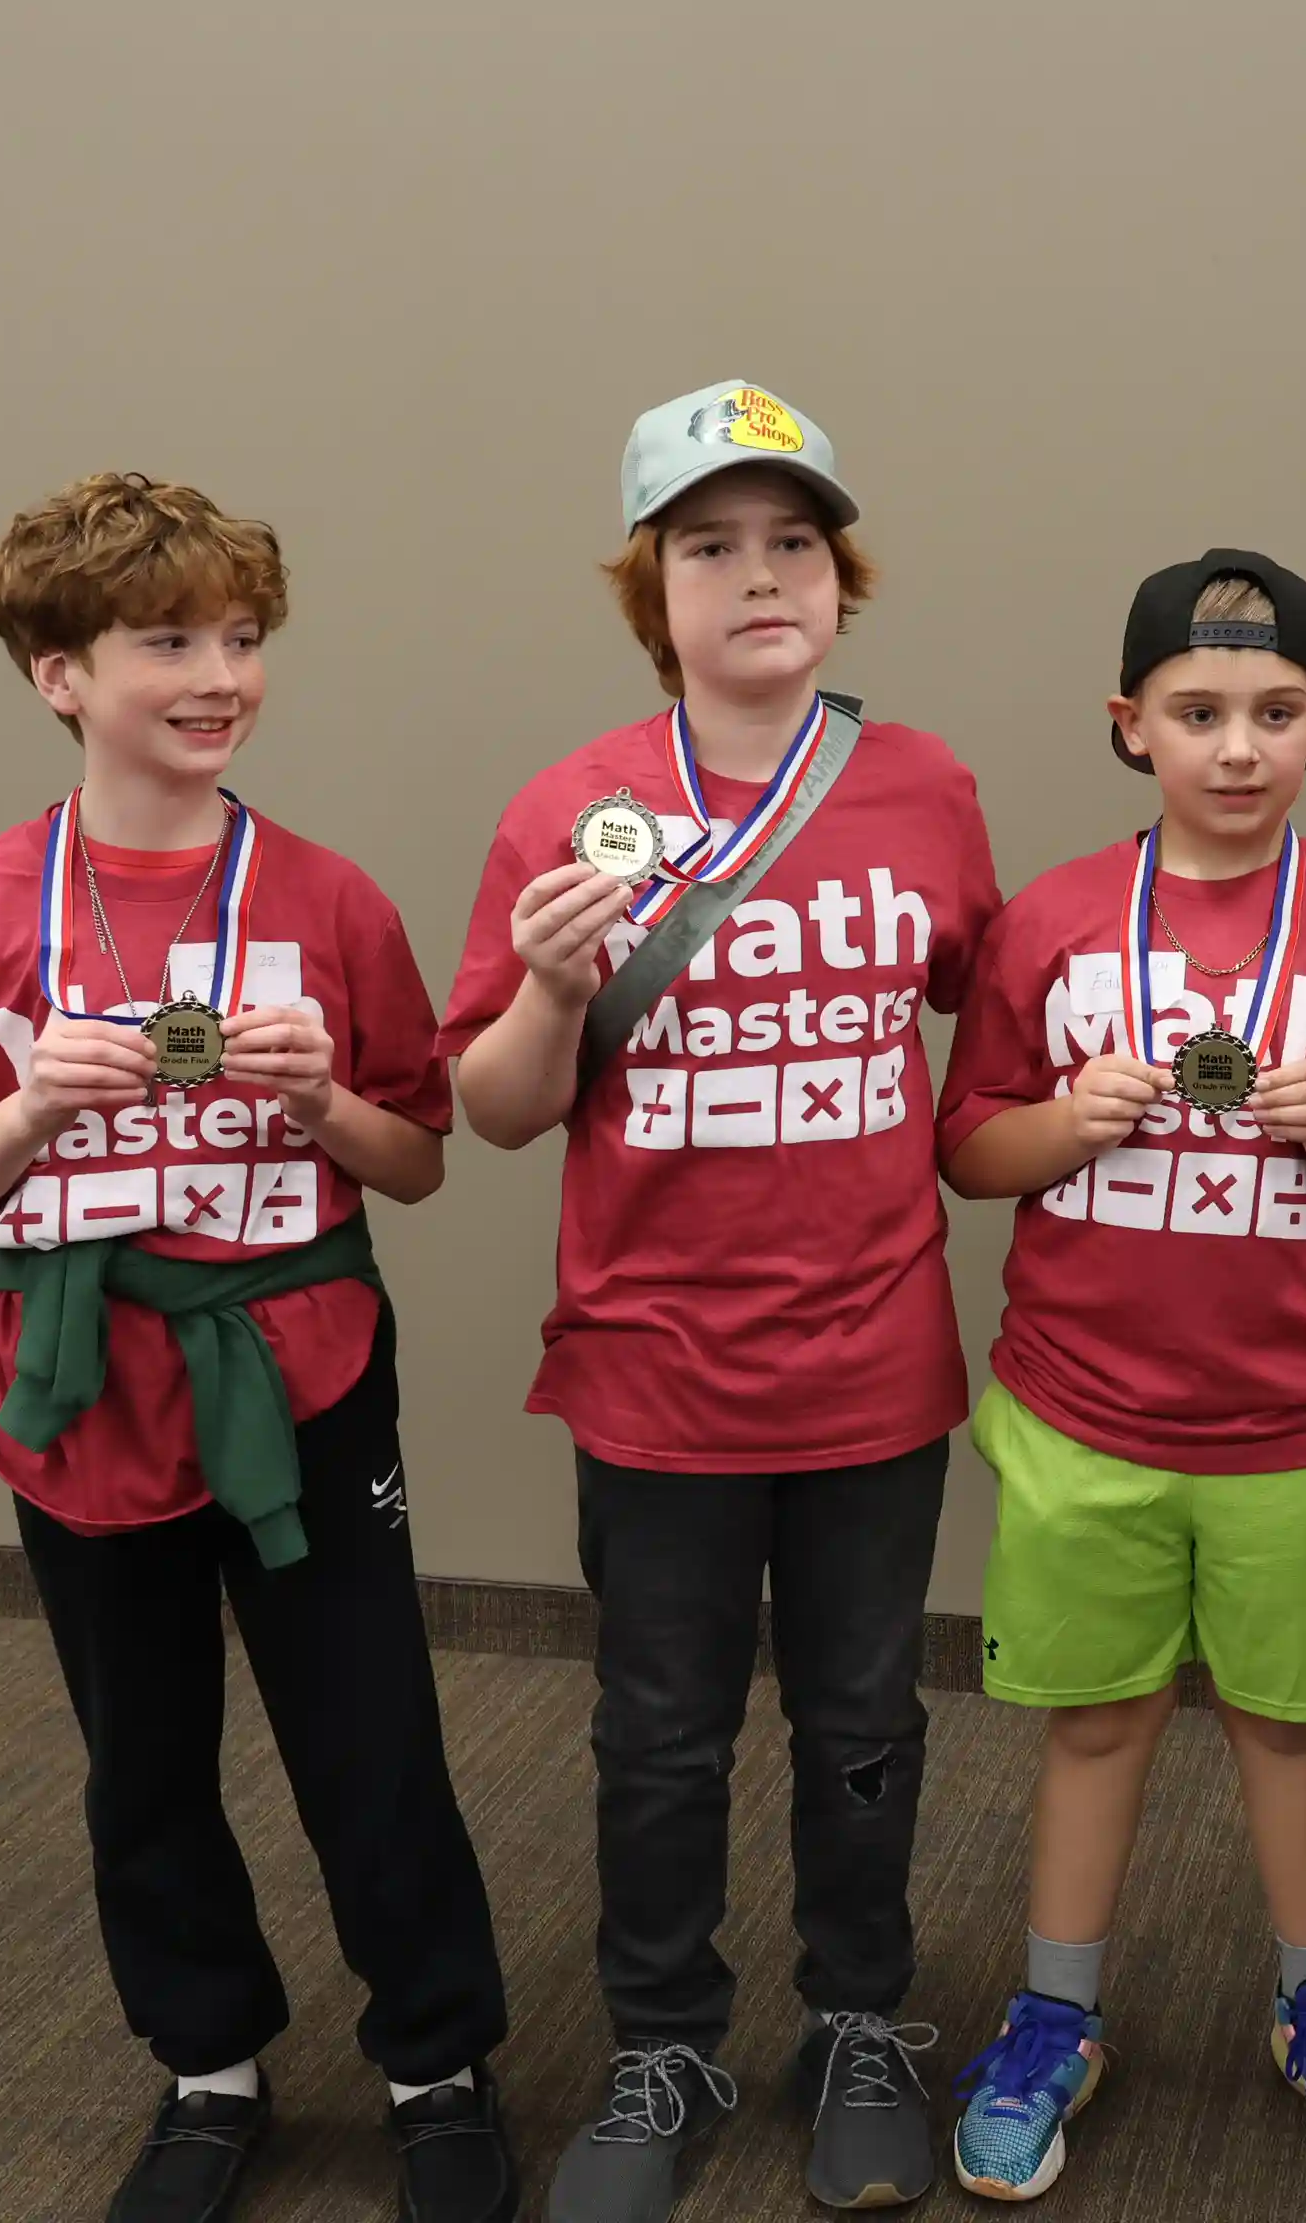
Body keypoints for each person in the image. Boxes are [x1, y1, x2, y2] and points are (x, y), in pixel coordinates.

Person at [0, 473, 516, 2223]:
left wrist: (324, 1098)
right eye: (169, 642)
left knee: (370, 1737)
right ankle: (207, 2065)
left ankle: (439, 2066)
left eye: (242, 638)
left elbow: (424, 1157)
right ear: (59, 674)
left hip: (297, 1371)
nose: (220, 675)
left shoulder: (327, 895)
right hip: (79, 1391)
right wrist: (30, 1110)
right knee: (139, 1750)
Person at [441, 383, 1001, 2221]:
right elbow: (502, 1111)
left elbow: (989, 1045)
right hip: (656, 1369)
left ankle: (857, 2024)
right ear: (650, 589)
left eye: (791, 544)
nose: (758, 578)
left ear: (838, 577)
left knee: (862, 1727)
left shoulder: (922, 788)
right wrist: (539, 988)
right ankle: (660, 2043)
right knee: (657, 1737)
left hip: (872, 1360)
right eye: (709, 547)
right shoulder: (570, 807)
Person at [931, 551, 1306, 2201]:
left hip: (1298, 1424)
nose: (1238, 747)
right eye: (1199, 713)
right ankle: (1053, 2013)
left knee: (1289, 1730)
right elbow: (969, 1149)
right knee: (1094, 1727)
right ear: (1130, 726)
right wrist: (1065, 1124)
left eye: (1274, 715)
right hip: (1087, 1410)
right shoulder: (1055, 919)